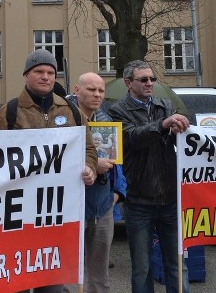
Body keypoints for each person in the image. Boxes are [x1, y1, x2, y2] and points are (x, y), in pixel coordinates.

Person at [0, 49, 97, 293]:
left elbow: (89, 150)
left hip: (54, 216)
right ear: (26, 75)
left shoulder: (71, 111)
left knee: (51, 284)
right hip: (16, 215)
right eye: (39, 71)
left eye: (50, 72)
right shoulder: (9, 112)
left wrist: (89, 169)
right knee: (14, 281)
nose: (46, 77)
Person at [108, 60, 190, 293]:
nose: (149, 83)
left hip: (170, 199)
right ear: (128, 83)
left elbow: (181, 140)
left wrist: (182, 129)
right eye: (143, 79)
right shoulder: (117, 110)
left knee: (177, 263)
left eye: (152, 79)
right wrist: (163, 125)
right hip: (139, 200)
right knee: (142, 267)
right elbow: (130, 137)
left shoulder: (165, 105)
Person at [72, 72, 126, 293]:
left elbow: (118, 165)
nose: (97, 95)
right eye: (91, 90)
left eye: (101, 91)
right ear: (77, 90)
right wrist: (93, 164)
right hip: (71, 208)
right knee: (68, 275)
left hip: (102, 207)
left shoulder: (107, 123)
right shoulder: (64, 120)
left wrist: (117, 194)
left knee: (100, 277)